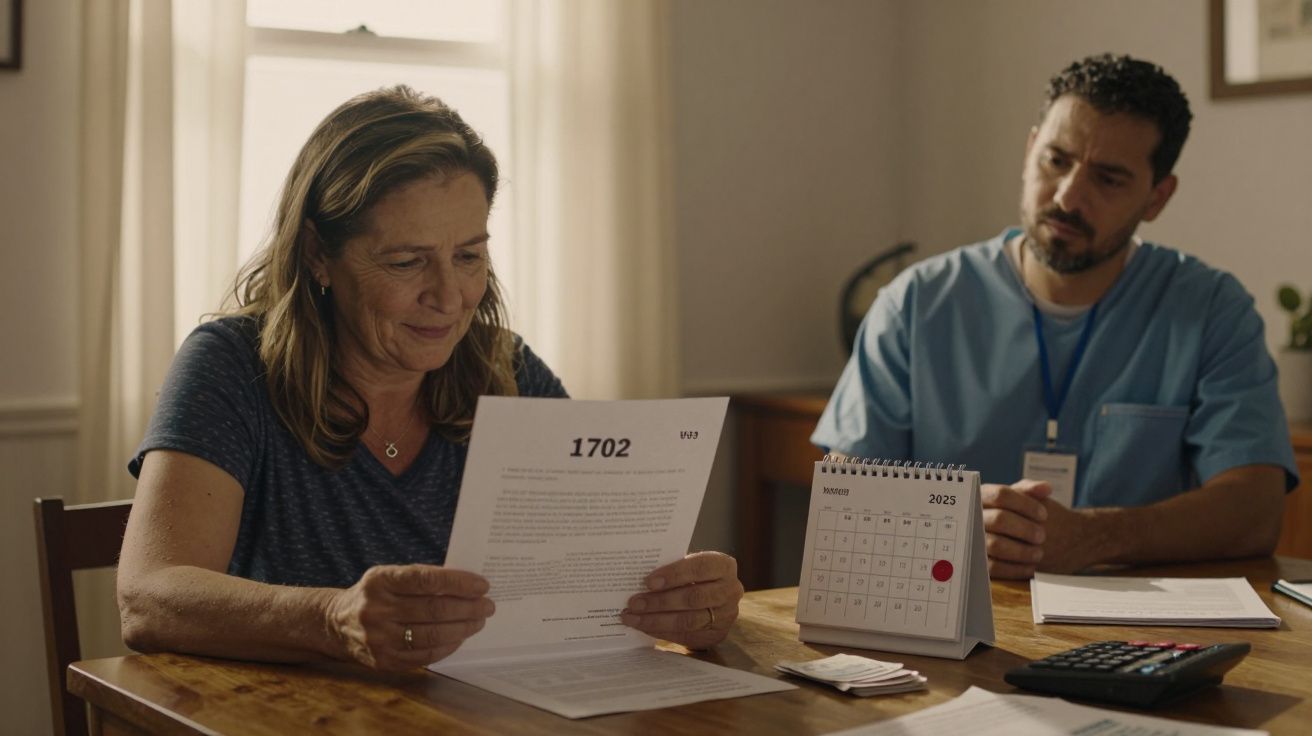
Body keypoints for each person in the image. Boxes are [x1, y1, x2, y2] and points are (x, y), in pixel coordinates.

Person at [116, 85, 743, 671]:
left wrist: (683, 599)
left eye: (468, 256)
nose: (449, 297)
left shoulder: (507, 369)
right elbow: (148, 597)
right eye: (405, 261)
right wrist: (333, 618)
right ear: (317, 254)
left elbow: (605, 570)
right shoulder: (232, 365)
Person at [812, 54, 1298, 580]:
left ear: (1157, 197)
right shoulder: (915, 303)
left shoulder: (1212, 310)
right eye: (1056, 160)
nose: (1068, 196)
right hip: (952, 603)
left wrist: (1096, 536)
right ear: (1029, 151)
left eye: (1108, 179)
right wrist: (956, 529)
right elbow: (847, 496)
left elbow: (1255, 511)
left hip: (1137, 620)